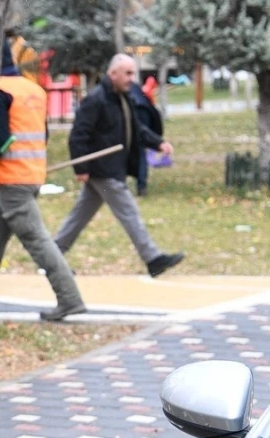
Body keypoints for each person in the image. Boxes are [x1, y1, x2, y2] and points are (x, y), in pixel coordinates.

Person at [54, 54, 184, 277]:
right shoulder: (97, 99)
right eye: (128, 73)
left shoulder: (123, 98)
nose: (131, 79)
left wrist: (158, 142)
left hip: (113, 168)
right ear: (113, 74)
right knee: (129, 211)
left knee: (79, 216)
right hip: (103, 170)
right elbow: (78, 136)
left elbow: (137, 128)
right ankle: (152, 258)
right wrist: (82, 169)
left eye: (133, 73)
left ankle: (52, 257)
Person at [0, 43, 86, 321]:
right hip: (31, 173)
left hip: (11, 177)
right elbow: (43, 133)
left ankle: (70, 298)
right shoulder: (33, 89)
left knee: (37, 240)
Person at [128, 80, 163, 197]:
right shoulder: (136, 87)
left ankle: (138, 185)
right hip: (145, 113)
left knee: (138, 150)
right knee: (141, 151)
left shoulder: (121, 89)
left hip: (136, 115)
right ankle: (141, 186)